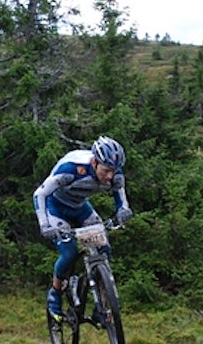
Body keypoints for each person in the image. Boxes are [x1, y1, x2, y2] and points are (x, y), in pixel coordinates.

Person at [33, 136, 133, 318]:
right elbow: (39, 194)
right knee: (69, 253)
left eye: (113, 171)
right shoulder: (71, 169)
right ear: (95, 162)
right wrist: (45, 225)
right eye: (106, 170)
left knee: (103, 249)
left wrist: (123, 210)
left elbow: (120, 194)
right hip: (55, 208)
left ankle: (102, 305)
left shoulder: (114, 172)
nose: (109, 176)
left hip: (80, 207)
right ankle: (55, 294)